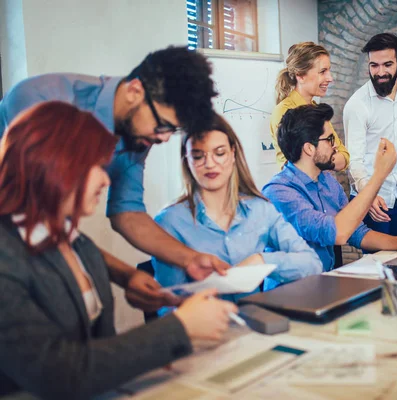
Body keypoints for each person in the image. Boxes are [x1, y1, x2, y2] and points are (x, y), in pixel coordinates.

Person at [0, 102, 238, 399]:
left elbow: (96, 350)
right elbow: (57, 371)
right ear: (54, 164)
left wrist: (129, 280)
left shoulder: (75, 241)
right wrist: (179, 329)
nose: (106, 180)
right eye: (95, 168)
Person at [0, 46, 229, 312]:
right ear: (134, 91)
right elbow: (41, 224)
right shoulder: (45, 99)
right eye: (163, 126)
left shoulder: (139, 133)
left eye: (173, 131)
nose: (164, 138)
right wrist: (123, 274)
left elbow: (127, 213)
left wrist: (190, 258)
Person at [151, 113, 321, 302]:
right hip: (201, 325)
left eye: (219, 153)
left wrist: (262, 260)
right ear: (187, 161)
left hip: (255, 321)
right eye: (198, 156)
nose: (209, 163)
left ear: (233, 154)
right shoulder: (169, 222)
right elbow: (168, 302)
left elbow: (311, 263)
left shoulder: (260, 210)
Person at [263, 103, 397, 271]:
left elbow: (358, 233)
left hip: (324, 283)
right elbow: (338, 233)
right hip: (289, 295)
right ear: (309, 148)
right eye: (330, 139)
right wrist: (379, 174)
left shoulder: (327, 181)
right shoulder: (280, 192)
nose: (336, 146)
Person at [344, 33, 397, 238]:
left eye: (387, 64)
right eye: (374, 65)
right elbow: (354, 160)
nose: (380, 72)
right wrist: (368, 195)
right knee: (375, 266)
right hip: (373, 201)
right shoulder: (357, 104)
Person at [271, 42, 349, 171]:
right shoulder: (284, 111)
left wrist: (322, 158)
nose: (330, 78)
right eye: (322, 72)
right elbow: (299, 165)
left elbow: (345, 157)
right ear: (300, 75)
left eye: (329, 71)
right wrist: (330, 156)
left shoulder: (317, 112)